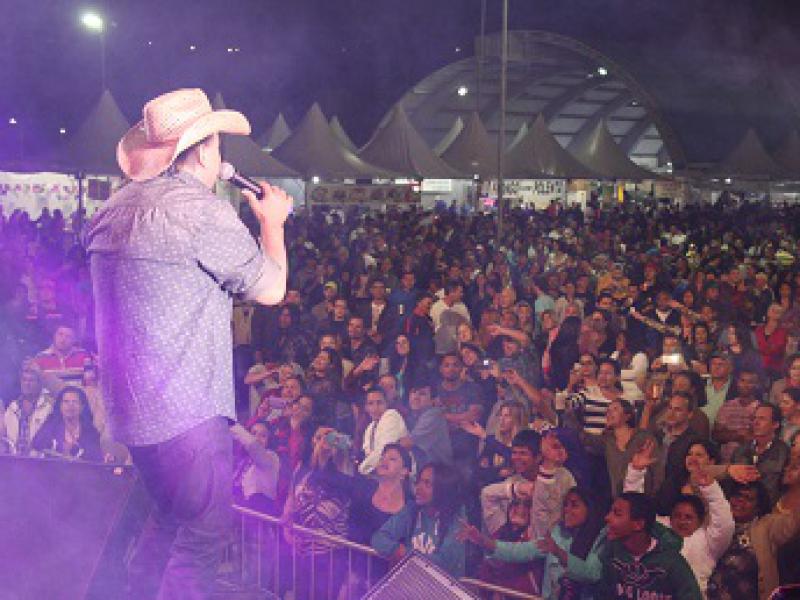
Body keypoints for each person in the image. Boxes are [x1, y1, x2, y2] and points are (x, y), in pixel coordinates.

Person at [85, 88, 292, 599]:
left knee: (165, 522)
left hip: (132, 417)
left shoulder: (112, 209)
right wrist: (272, 224)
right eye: (217, 143)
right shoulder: (199, 212)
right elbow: (271, 289)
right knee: (201, 540)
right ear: (203, 151)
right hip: (187, 414)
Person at [624, 441, 735, 595]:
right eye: (677, 516)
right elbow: (634, 510)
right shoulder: (659, 531)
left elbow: (724, 524)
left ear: (700, 520)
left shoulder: (709, 541)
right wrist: (636, 472)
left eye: (688, 517)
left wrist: (710, 488)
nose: (682, 521)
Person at [460, 486, 606, 600]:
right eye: (565, 505)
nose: (567, 510)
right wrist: (482, 540)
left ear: (590, 508)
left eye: (574, 505)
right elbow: (519, 551)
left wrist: (558, 552)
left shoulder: (601, 538)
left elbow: (592, 574)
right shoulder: (558, 533)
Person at [371, 463, 466, 577]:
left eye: (427, 483)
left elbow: (445, 563)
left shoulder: (456, 518)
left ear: (443, 489)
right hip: (411, 582)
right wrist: (396, 549)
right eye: (419, 481)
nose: (418, 488)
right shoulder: (412, 510)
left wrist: (405, 554)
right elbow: (379, 538)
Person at [601, 492, 702, 599]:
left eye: (617, 514)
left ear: (638, 524)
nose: (607, 518)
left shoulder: (671, 562)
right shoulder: (611, 553)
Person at [31, 385, 104, 461]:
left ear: (82, 407)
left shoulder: (90, 431)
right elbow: (36, 444)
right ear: (60, 406)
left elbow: (96, 457)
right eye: (66, 401)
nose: (70, 405)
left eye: (75, 402)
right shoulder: (51, 424)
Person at [1, 366, 52, 455]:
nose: (27, 384)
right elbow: (4, 436)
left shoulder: (49, 407)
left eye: (31, 380)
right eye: (24, 380)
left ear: (39, 384)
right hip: (14, 458)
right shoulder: (12, 407)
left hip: (39, 459)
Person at [359, 387, 408, 475]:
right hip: (378, 473)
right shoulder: (370, 428)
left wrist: (362, 469)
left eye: (379, 403)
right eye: (371, 403)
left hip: (399, 474)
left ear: (386, 404)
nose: (375, 408)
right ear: (366, 407)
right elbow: (369, 455)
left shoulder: (391, 415)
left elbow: (384, 450)